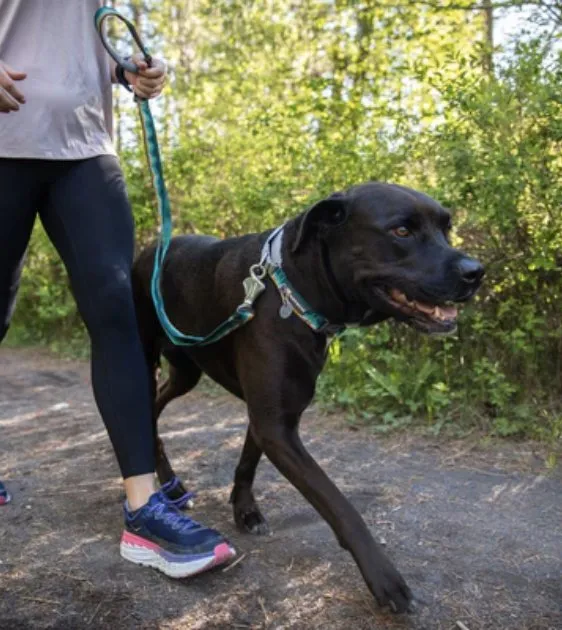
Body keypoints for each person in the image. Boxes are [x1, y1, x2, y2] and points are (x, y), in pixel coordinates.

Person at [0, 0, 236, 577]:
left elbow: (70, 41)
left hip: (85, 149)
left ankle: (145, 511)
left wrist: (125, 69)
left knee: (117, 314)